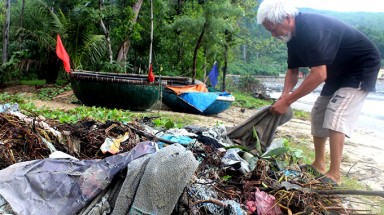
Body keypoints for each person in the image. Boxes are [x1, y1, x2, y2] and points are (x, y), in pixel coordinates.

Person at [257, 0, 381, 185]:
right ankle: (319, 164)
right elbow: (292, 71)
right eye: (269, 31)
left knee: (336, 114)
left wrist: (287, 102)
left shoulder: (312, 29)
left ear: (287, 18)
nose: (273, 34)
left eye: (273, 29)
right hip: (336, 71)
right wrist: (284, 95)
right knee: (318, 113)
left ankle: (335, 175)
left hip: (359, 67)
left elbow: (319, 74)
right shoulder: (292, 37)